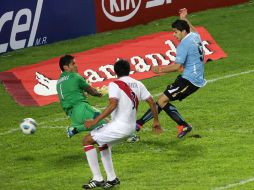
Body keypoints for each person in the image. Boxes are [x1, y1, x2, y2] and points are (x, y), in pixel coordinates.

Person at [82, 59, 161, 189]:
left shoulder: (115, 84)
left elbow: (113, 104)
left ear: (115, 72)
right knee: (103, 143)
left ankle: (97, 179)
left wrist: (95, 121)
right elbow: (152, 102)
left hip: (119, 127)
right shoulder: (138, 83)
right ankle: (112, 179)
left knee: (87, 140)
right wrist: (156, 120)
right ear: (129, 70)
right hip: (130, 128)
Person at [134, 8, 207, 139]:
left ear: (183, 31)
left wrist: (160, 70)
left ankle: (183, 125)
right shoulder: (195, 36)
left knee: (162, 100)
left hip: (190, 80)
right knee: (163, 99)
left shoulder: (183, 45)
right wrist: (184, 18)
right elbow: (191, 28)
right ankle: (139, 124)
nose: (174, 35)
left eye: (175, 32)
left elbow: (177, 66)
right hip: (192, 77)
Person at [56, 55, 106, 137]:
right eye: (73, 63)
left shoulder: (58, 82)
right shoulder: (75, 76)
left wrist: (83, 94)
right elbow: (92, 92)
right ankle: (75, 129)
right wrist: (100, 93)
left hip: (72, 114)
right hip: (81, 108)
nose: (76, 65)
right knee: (104, 125)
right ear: (66, 67)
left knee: (100, 118)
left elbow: (71, 95)